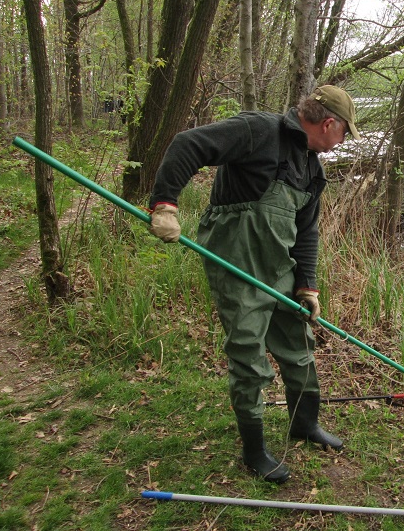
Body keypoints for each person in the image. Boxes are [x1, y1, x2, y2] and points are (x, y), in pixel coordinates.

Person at [147, 85, 359, 483]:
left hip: (280, 269)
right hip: (235, 265)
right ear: (329, 123)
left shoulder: (312, 169)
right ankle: (255, 451)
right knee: (248, 356)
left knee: (299, 346)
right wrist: (165, 203)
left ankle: (304, 424)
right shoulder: (259, 131)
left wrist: (307, 285)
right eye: (345, 132)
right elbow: (188, 144)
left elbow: (306, 232)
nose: (342, 141)